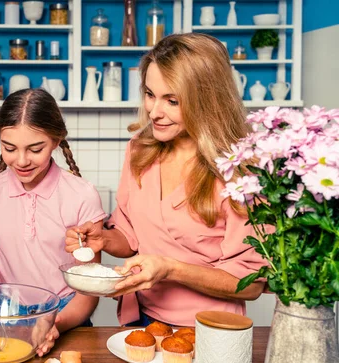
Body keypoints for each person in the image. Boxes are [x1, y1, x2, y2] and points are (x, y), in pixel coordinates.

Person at [65, 33, 266, 327]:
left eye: (171, 100)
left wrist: (170, 269)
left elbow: (251, 285)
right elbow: (130, 235)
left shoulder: (241, 170)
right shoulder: (140, 150)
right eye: (149, 94)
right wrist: (104, 239)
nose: (154, 112)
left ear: (207, 100)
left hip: (210, 329)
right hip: (142, 319)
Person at [0, 89, 106, 355]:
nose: (21, 161)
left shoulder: (81, 195)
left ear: (56, 140)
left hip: (67, 318)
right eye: (9, 148)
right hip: (7, 318)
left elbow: (88, 292)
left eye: (35, 149)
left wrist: (54, 322)